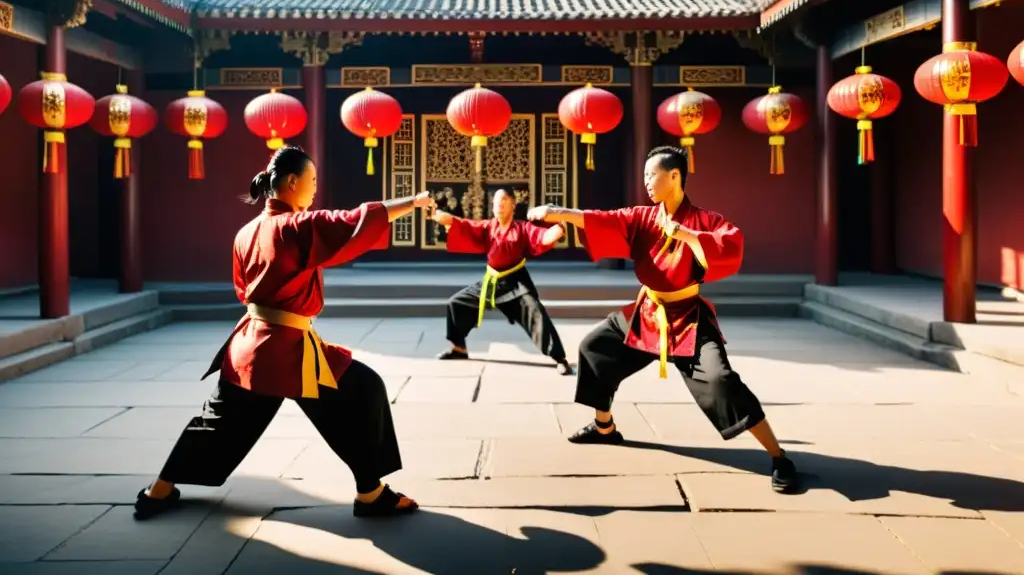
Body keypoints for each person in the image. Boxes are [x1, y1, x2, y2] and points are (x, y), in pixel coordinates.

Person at [134, 145, 436, 521]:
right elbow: (355, 220)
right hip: (287, 351)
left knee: (217, 421)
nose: (313, 191)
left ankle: (158, 490)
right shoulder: (295, 226)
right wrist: (414, 201)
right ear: (291, 182)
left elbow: (242, 290)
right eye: (311, 182)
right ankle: (371, 494)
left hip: (249, 344)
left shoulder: (245, 233)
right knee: (363, 391)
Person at [526, 145, 799, 493]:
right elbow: (603, 219)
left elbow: (729, 245)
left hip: (688, 318)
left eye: (651, 175)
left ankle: (779, 457)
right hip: (647, 312)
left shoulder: (707, 220)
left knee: (721, 381)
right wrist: (557, 211)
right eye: (643, 176)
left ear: (674, 176)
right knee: (594, 348)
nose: (646, 182)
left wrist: (687, 236)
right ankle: (604, 427)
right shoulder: (643, 216)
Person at [432, 189, 573, 375]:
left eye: (504, 199)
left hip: (516, 283)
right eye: (496, 200)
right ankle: (459, 348)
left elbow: (543, 237)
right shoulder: (488, 227)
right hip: (492, 282)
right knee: (456, 304)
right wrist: (435, 214)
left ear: (513, 205)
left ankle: (559, 358)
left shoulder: (523, 228)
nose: (499, 203)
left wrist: (560, 226)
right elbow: (461, 224)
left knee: (536, 314)